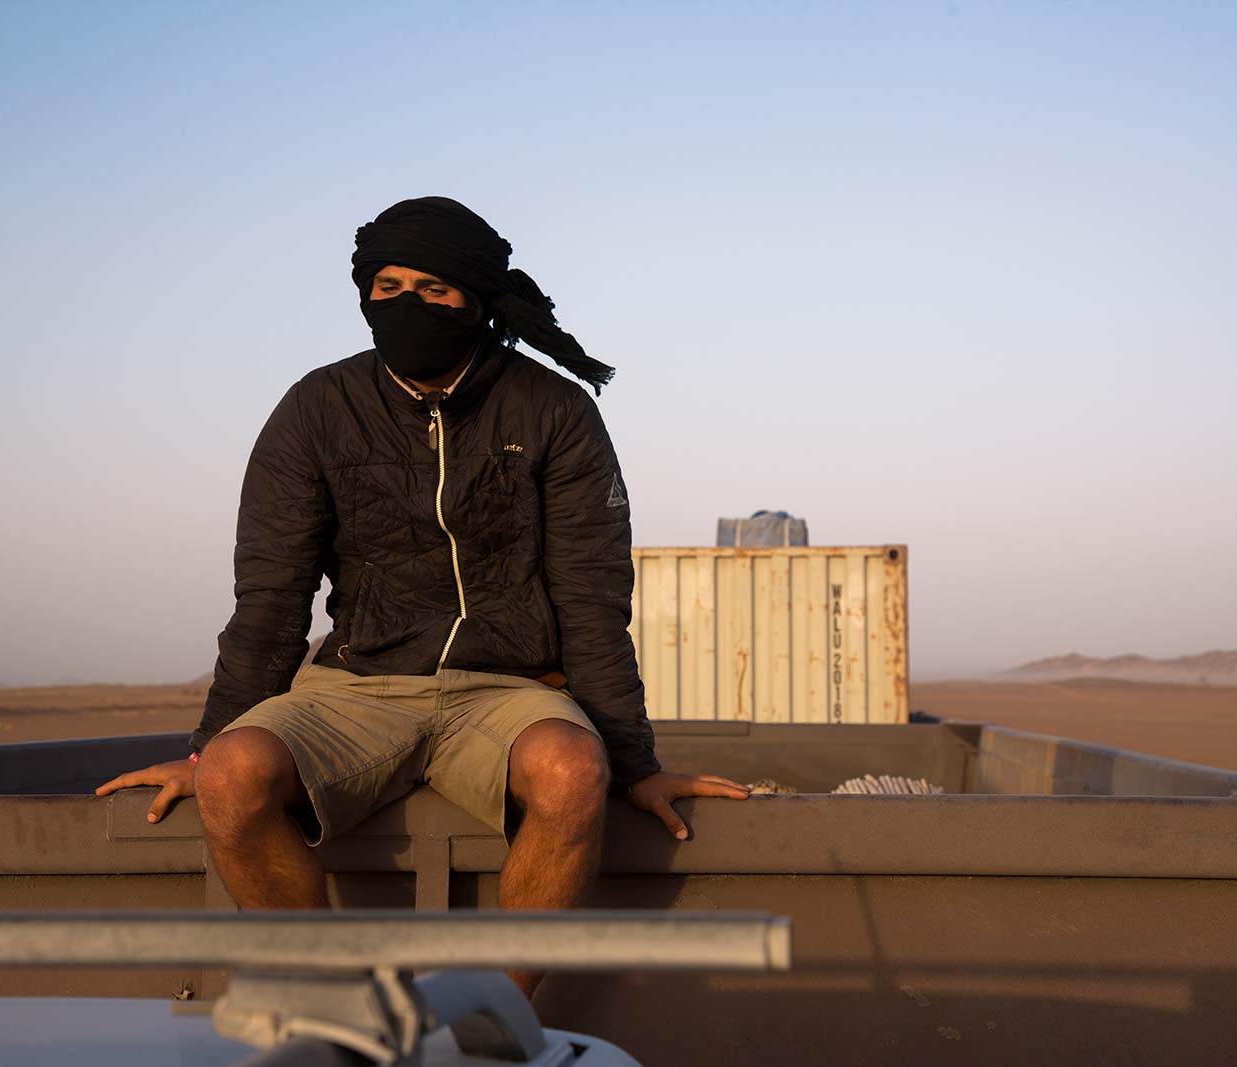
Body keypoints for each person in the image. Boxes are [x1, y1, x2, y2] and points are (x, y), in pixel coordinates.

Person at [97, 196, 749, 996]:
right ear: (365, 293)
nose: (409, 304)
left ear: (477, 300)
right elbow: (270, 596)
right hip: (355, 686)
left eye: (434, 289)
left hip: (507, 687)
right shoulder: (317, 409)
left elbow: (592, 600)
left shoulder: (553, 411)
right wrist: (207, 745)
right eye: (389, 285)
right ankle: (336, 1004)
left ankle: (491, 1020)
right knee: (232, 776)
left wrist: (634, 762)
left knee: (575, 771)